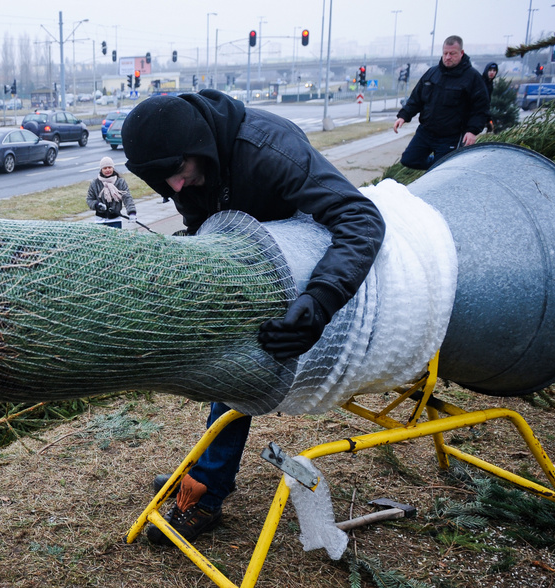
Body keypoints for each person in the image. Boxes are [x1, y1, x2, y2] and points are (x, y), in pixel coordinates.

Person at [121, 89, 385, 545]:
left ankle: (206, 492)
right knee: (221, 364)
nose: (177, 189)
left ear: (197, 149)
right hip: (250, 262)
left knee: (238, 369)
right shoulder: (185, 175)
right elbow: (200, 224)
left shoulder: (269, 150)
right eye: (165, 184)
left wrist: (319, 301)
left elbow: (361, 219)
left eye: (178, 174)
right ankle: (208, 472)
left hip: (305, 267)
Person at [393, 36, 489, 170]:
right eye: (445, 53)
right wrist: (403, 116)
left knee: (441, 172)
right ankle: (439, 166)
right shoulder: (432, 73)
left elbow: (480, 108)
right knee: (409, 160)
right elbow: (416, 98)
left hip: (451, 137)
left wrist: (472, 131)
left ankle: (441, 168)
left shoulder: (472, 78)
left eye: (452, 53)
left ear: (461, 53)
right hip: (426, 132)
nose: (448, 57)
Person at [87, 156, 136, 229]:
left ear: (113, 168)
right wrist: (97, 205)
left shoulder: (120, 182)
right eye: (105, 168)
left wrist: (132, 213)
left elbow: (127, 198)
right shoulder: (95, 183)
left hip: (115, 219)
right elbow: (89, 199)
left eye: (109, 167)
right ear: (101, 169)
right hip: (100, 220)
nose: (107, 170)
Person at [481, 62, 499, 133]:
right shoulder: (481, 82)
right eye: (490, 70)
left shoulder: (490, 84)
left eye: (494, 70)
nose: (492, 72)